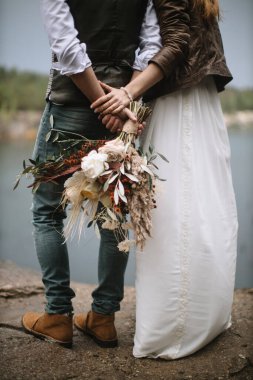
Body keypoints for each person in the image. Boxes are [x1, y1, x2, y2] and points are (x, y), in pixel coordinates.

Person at [91, 0, 238, 359]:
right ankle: (209, 313)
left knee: (171, 204)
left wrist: (128, 92)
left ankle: (173, 331)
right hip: (199, 93)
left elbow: (176, 42)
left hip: (178, 96)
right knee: (206, 202)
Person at [21, 0, 161, 349]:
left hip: (70, 106)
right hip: (121, 105)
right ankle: (103, 318)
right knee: (113, 213)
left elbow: (67, 48)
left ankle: (57, 316)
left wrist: (101, 102)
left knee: (47, 212)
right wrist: (121, 103)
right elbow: (151, 47)